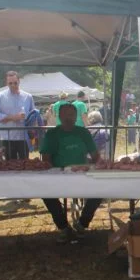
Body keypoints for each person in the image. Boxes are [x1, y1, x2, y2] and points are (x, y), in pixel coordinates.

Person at [40, 104, 101, 242]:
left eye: (72, 114)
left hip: (82, 175)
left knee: (101, 191)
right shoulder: (52, 134)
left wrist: (99, 165)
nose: (69, 118)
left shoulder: (83, 132)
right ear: (59, 116)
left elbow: (96, 156)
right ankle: (63, 227)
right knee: (46, 194)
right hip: (59, 175)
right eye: (65, 114)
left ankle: (82, 223)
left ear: (76, 116)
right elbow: (46, 159)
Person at [0, 70, 35, 160]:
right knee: (10, 166)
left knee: (25, 164)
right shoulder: (0, 96)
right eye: (10, 83)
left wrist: (32, 126)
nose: (13, 85)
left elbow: (33, 114)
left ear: (19, 81)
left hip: (23, 137)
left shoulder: (28, 97)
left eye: (15, 83)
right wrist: (13, 117)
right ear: (6, 83)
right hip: (7, 137)